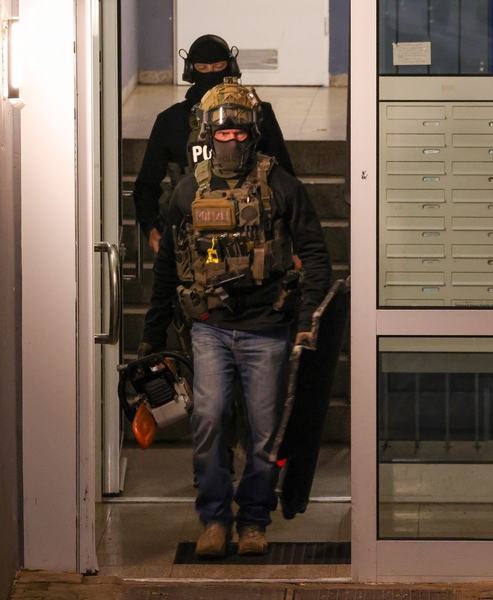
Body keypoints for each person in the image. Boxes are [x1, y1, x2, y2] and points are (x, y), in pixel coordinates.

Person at [139, 79, 331, 557]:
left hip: (267, 326)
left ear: (253, 133)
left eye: (240, 133)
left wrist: (308, 321)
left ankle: (253, 523)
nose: (231, 141)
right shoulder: (188, 190)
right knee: (209, 420)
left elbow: (316, 256)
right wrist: (150, 333)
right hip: (208, 325)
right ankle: (214, 520)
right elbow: (167, 270)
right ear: (209, 133)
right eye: (222, 134)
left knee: (265, 431)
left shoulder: (282, 186)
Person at [133, 34, 295, 255]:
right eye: (203, 67)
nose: (211, 72)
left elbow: (286, 179)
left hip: (254, 233)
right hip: (190, 235)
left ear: (229, 67)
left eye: (218, 66)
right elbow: (146, 185)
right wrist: (151, 228)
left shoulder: (259, 115)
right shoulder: (170, 121)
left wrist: (294, 242)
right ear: (192, 70)